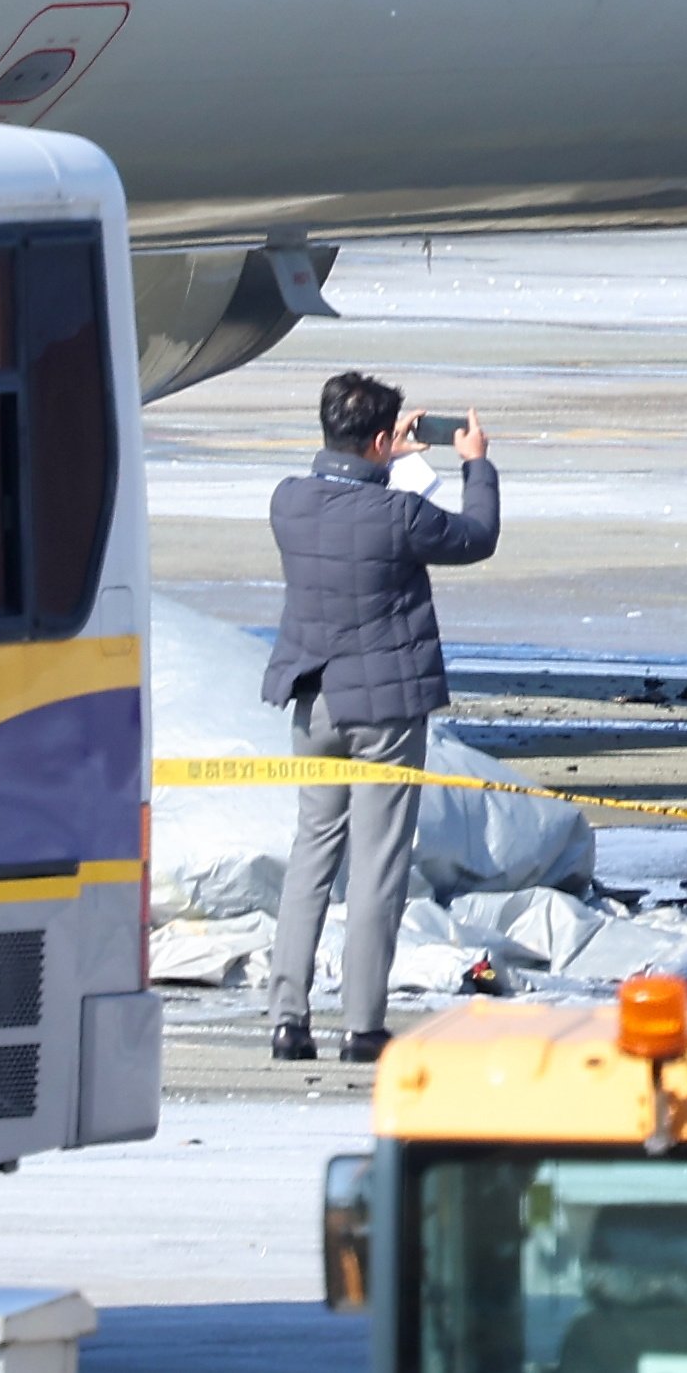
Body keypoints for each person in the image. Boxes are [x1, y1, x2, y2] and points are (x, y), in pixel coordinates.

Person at [262, 370, 502, 1065]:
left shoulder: (289, 503)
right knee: (377, 865)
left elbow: (344, 498)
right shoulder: (398, 516)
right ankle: (361, 1023)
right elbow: (475, 534)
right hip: (387, 707)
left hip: (314, 700)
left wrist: (383, 459)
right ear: (377, 438)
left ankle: (288, 1017)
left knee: (311, 856)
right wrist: (474, 462)